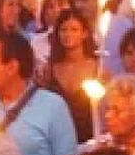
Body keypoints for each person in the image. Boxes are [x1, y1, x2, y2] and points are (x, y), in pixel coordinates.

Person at [41, 8, 99, 144]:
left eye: (74, 30)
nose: (68, 34)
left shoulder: (98, 68)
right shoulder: (49, 69)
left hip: (89, 138)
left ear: (84, 33)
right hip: (57, 138)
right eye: (63, 30)